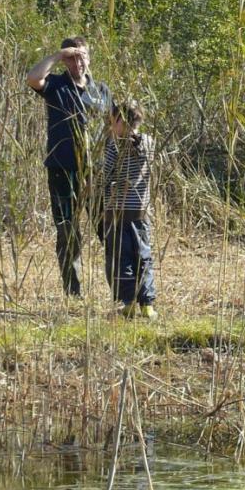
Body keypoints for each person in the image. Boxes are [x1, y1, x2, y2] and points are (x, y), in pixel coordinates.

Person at [26, 37, 113, 297]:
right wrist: (56, 54)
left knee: (108, 230)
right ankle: (73, 293)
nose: (79, 62)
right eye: (72, 57)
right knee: (68, 231)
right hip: (62, 170)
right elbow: (33, 78)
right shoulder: (56, 85)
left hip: (95, 172)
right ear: (64, 61)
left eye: (82, 56)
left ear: (90, 57)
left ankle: (121, 291)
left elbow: (113, 127)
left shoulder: (100, 91)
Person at [101, 101, 157, 317]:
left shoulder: (114, 145)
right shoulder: (150, 143)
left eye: (112, 120)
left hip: (116, 212)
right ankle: (147, 304)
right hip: (141, 212)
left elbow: (105, 176)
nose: (109, 125)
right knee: (143, 256)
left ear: (120, 121)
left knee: (120, 258)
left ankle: (128, 302)